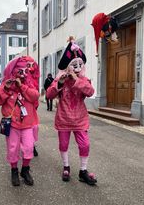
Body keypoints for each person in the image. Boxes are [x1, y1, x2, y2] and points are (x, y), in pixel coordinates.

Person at [46, 36, 97, 186]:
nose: (76, 67)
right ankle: (66, 166)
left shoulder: (83, 80)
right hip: (63, 119)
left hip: (80, 119)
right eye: (73, 64)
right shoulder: (59, 79)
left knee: (85, 145)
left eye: (79, 64)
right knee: (63, 145)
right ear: (67, 66)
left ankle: (83, 170)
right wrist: (60, 83)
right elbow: (49, 95)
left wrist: (76, 80)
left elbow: (90, 92)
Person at [0, 56, 39, 186]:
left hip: (27, 123)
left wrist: (22, 86)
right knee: (13, 149)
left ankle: (25, 170)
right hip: (12, 124)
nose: (22, 74)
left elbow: (35, 96)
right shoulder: (6, 83)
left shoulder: (29, 83)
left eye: (24, 70)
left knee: (29, 147)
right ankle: (14, 170)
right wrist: (6, 89)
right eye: (19, 71)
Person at [23, 56, 40, 157]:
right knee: (26, 126)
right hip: (23, 105)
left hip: (33, 106)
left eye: (32, 65)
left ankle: (31, 145)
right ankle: (28, 146)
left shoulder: (35, 77)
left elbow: (35, 92)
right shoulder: (24, 76)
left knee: (34, 126)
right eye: (28, 65)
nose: (30, 68)